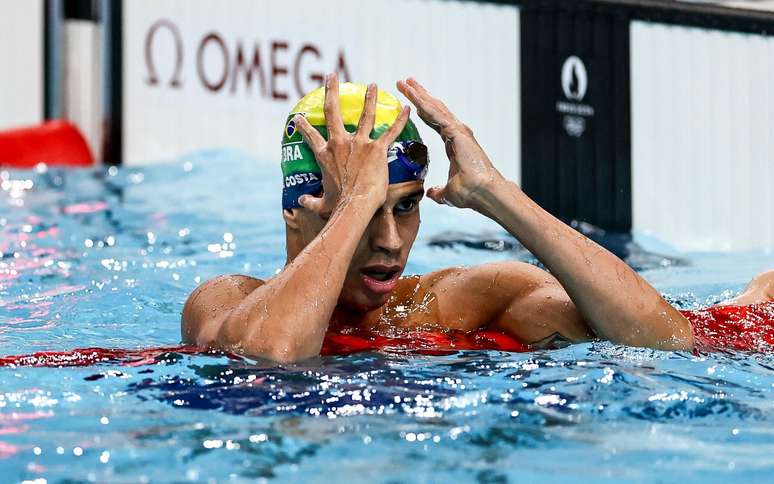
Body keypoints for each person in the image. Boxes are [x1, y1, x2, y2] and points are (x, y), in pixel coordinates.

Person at [181, 73, 771, 363]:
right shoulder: (223, 303)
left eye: (406, 206)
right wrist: (356, 198)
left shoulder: (463, 300)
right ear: (295, 215)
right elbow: (275, 357)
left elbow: (665, 342)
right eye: (364, 214)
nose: (390, 241)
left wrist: (497, 195)